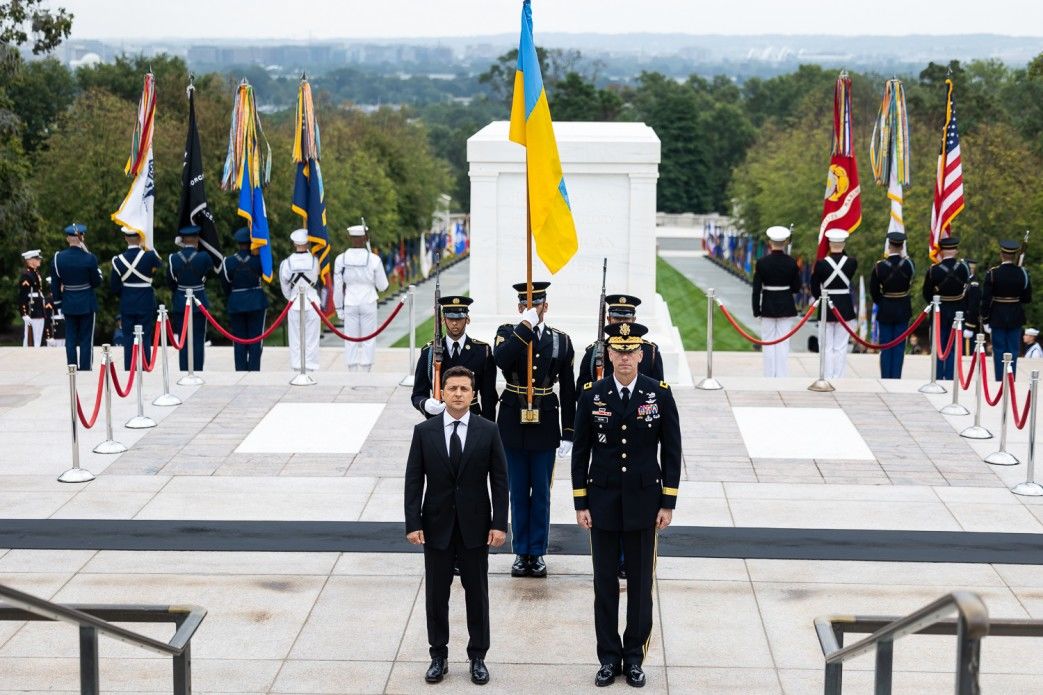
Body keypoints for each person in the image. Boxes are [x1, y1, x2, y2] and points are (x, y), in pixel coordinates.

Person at [572, 322, 681, 689]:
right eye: (616, 352)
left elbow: (672, 450)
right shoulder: (591, 394)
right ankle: (607, 658)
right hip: (601, 502)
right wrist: (580, 502)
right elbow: (581, 452)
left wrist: (668, 502)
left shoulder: (659, 394)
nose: (623, 358)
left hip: (644, 503)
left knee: (638, 585)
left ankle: (633, 658)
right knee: (604, 584)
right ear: (609, 355)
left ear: (641, 354)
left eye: (630, 351)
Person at [404, 365, 509, 686]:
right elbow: (413, 480)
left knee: (477, 594)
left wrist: (499, 524)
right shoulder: (425, 432)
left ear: (473, 394)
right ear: (443, 393)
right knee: (436, 595)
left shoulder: (488, 430)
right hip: (436, 526)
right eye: (453, 389)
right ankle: (438, 655)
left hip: (476, 528)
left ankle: (478, 656)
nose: (459, 394)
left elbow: (500, 481)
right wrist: (413, 523)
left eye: (465, 389)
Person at [493, 281, 576, 579]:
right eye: (527, 306)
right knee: (517, 490)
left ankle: (537, 552)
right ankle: (520, 552)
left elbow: (568, 390)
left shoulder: (560, 341)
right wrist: (525, 326)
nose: (533, 309)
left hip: (545, 422)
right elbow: (502, 360)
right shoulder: (506, 334)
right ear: (519, 308)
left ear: (546, 306)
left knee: (541, 492)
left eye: (538, 305)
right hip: (513, 422)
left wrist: (569, 430)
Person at [411, 296, 498, 421]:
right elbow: (418, 394)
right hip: (439, 418)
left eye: (459, 318)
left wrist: (488, 430)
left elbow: (489, 397)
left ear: (467, 319)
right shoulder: (429, 352)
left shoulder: (482, 351)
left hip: (471, 418)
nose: (454, 323)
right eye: (450, 318)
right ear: (442, 320)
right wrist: (425, 404)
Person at [575, 294, 664, 391]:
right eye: (617, 318)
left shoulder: (650, 351)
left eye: (626, 318)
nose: (622, 323)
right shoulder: (593, 352)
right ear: (609, 319)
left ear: (634, 320)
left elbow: (659, 392)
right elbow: (582, 393)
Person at [333, 223, 389, 372]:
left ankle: (352, 368)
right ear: (365, 239)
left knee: (350, 338)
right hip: (368, 300)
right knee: (368, 337)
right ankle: (365, 369)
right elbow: (383, 286)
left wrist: (339, 308)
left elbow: (338, 287)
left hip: (350, 301)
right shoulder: (374, 259)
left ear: (350, 238)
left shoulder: (341, 259)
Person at [751, 225, 802, 377]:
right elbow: (796, 288)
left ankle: (769, 375)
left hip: (767, 306)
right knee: (783, 343)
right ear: (785, 242)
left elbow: (756, 289)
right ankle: (781, 375)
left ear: (769, 242)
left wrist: (756, 309)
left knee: (768, 343)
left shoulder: (762, 262)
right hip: (786, 305)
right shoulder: (791, 262)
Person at [109, 227, 161, 370]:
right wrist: (148, 245)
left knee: (128, 336)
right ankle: (145, 366)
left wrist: (125, 294)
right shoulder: (149, 256)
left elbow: (114, 287)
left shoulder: (118, 260)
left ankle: (129, 368)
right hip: (145, 301)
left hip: (127, 302)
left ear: (125, 238)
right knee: (145, 335)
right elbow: (159, 264)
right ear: (140, 238)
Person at [51, 223, 100, 370]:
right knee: (86, 338)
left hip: (68, 302)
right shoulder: (90, 258)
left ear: (67, 238)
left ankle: (72, 367)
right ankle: (85, 368)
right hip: (86, 302)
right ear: (82, 238)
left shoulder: (58, 258)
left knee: (70, 338)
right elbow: (96, 282)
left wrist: (58, 303)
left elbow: (55, 284)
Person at [982, 238, 1032, 380]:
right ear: (1015, 255)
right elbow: (1027, 298)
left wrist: (985, 319)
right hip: (1015, 314)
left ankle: (1000, 379)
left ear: (1001, 254)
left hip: (997, 315)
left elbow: (985, 299)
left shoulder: (993, 273)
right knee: (1013, 350)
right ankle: (1011, 378)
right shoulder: (1023, 273)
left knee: (999, 350)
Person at [811, 229, 857, 379]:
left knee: (826, 346)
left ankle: (827, 375)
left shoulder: (820, 264)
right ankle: (839, 376)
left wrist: (821, 298)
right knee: (841, 345)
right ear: (843, 244)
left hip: (827, 306)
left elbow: (814, 287)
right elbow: (845, 260)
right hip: (845, 307)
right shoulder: (851, 263)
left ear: (829, 244)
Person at [220, 227, 269, 371]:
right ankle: (254, 370)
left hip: (236, 302)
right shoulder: (259, 260)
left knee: (239, 340)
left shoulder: (228, 262)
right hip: (256, 302)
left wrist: (234, 297)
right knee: (256, 339)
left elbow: (225, 284)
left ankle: (240, 370)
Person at [922, 236, 970, 380]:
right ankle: (950, 376)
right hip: (958, 310)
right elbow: (967, 290)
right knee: (954, 344)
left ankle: (937, 375)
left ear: (941, 251)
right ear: (955, 250)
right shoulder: (963, 268)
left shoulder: (934, 270)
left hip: (940, 310)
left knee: (939, 343)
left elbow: (926, 293)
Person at [869, 231, 915, 379]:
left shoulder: (879, 266)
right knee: (899, 346)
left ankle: (886, 377)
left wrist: (882, 302)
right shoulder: (909, 264)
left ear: (889, 246)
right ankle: (896, 377)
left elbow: (874, 291)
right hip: (902, 307)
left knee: (886, 346)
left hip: (886, 308)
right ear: (902, 247)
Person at [168, 225, 213, 372]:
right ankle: (198, 369)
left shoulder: (173, 258)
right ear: (197, 239)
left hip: (181, 300)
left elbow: (170, 281)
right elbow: (209, 274)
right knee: (198, 339)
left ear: (183, 240)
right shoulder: (204, 257)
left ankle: (184, 369)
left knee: (183, 339)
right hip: (199, 300)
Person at [280, 228, 323, 373]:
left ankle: (297, 367)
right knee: (312, 338)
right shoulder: (315, 261)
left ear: (294, 243)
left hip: (294, 301)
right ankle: (311, 367)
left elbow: (284, 285)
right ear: (308, 243)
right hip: (312, 301)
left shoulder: (286, 262)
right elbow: (317, 278)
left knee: (295, 338)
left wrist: (291, 297)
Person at [18, 250, 47, 348]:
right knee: (29, 339)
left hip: (39, 309)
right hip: (32, 310)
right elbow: (23, 296)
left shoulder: (35, 273)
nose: (39, 260)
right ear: (30, 261)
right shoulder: (27, 275)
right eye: (37, 259)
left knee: (38, 337)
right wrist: (24, 314)